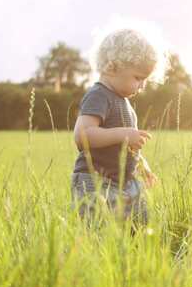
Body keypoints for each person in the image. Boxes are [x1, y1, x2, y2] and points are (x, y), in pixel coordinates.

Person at [71, 28, 167, 230]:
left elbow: (125, 147)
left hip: (124, 182)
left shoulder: (124, 103)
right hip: (96, 181)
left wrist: (142, 165)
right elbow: (82, 135)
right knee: (99, 231)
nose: (142, 86)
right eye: (138, 78)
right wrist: (124, 135)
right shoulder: (99, 95)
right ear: (112, 67)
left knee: (141, 226)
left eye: (145, 80)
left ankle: (139, 257)